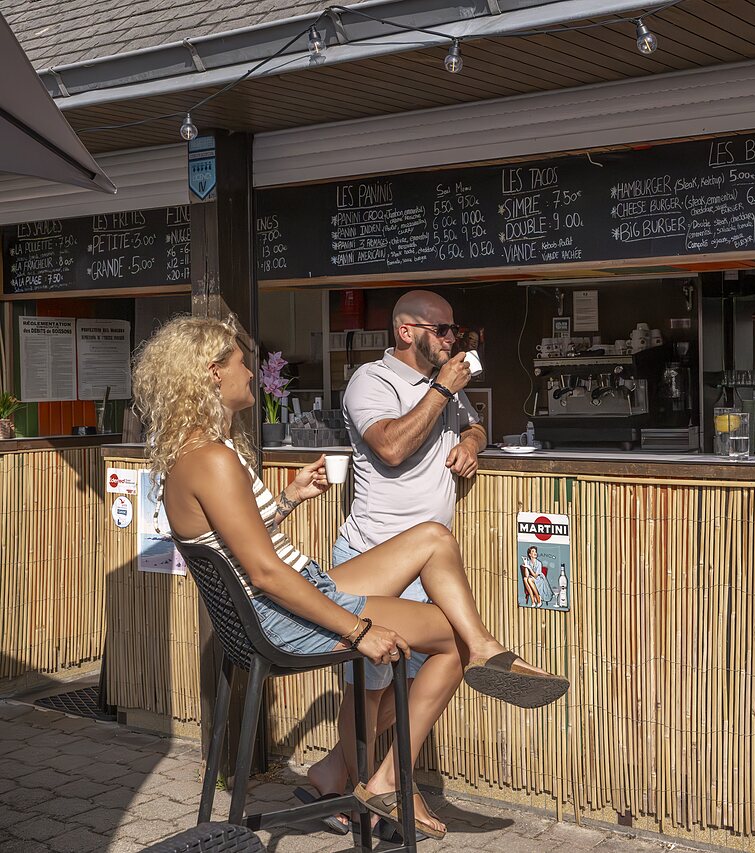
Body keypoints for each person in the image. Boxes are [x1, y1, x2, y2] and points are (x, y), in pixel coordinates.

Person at [131, 315, 567, 840]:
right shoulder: (213, 459)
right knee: (445, 636)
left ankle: (485, 650)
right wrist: (357, 631)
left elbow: (236, 543)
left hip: (292, 592)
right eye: (241, 362)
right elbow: (265, 572)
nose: (251, 371)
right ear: (211, 373)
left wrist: (288, 497)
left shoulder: (196, 456)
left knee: (432, 536)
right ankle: (387, 780)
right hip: (281, 615)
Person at [303, 291, 489, 832]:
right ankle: (370, 789)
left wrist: (472, 442)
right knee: (371, 689)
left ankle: (337, 775)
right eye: (445, 329)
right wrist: (440, 390)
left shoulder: (447, 389)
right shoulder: (371, 381)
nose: (454, 339)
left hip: (426, 568)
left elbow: (474, 423)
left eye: (455, 330)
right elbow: (390, 446)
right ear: (408, 331)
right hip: (375, 558)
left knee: (407, 686)